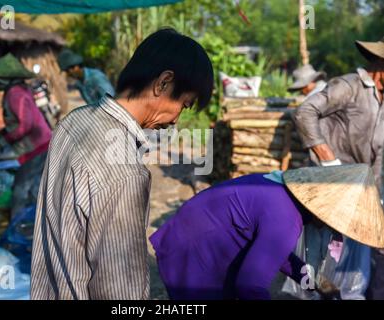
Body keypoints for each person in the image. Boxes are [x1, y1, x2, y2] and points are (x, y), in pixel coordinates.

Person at [30, 28, 214, 300]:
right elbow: (119, 290)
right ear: (163, 83)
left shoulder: (73, 122)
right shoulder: (125, 173)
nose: (176, 120)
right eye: (184, 105)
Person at [150, 164, 384, 300]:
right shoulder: (286, 220)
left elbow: (272, 251)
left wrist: (313, 281)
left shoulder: (283, 192)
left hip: (198, 231)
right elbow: (250, 286)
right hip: (195, 249)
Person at [293, 36, 384, 300]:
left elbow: (379, 153)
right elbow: (306, 111)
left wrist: (375, 196)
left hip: (359, 188)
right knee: (318, 245)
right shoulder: (350, 86)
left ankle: (349, 294)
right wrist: (328, 158)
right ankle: (308, 293)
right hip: (328, 181)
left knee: (356, 249)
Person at [0, 53, 52, 218]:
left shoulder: (15, 93)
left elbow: (25, 125)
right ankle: (37, 223)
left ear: (7, 78)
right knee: (35, 187)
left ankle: (17, 225)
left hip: (36, 146)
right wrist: (2, 134)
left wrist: (4, 140)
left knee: (21, 189)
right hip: (42, 143)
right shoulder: (20, 90)